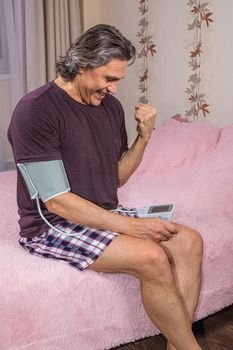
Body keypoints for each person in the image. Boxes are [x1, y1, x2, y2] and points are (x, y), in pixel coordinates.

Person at [8, 24, 203, 350]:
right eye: (108, 78)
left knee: (190, 242)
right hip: (52, 224)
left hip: (101, 211)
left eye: (117, 80)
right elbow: (57, 202)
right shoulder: (36, 110)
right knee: (152, 257)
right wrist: (134, 228)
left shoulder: (109, 107)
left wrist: (145, 135)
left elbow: (117, 177)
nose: (113, 89)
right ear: (81, 65)